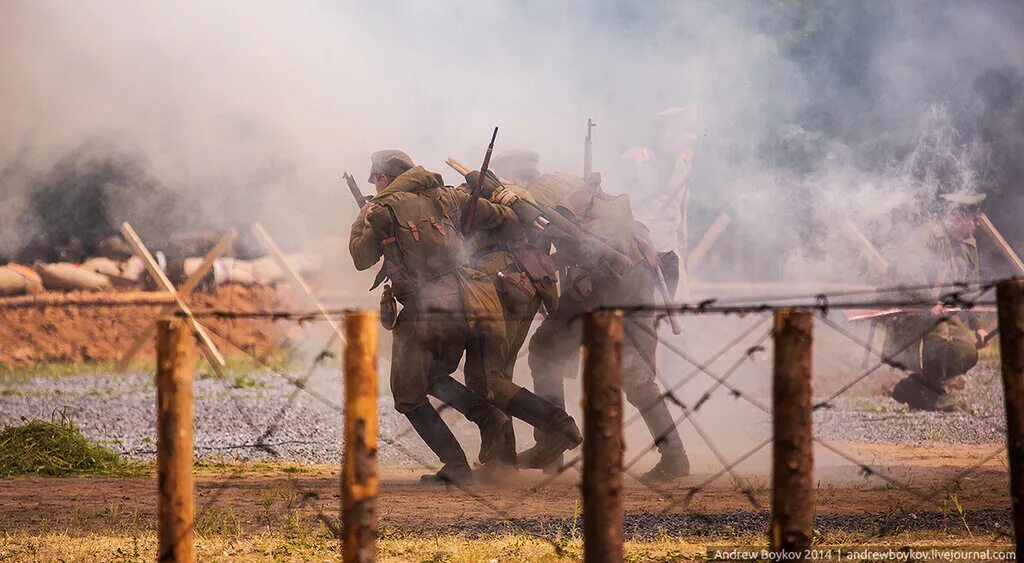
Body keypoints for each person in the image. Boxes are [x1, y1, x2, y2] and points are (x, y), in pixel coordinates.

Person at [349, 150, 579, 484]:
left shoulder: (382, 209)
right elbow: (507, 217)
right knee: (438, 377)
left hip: (426, 311)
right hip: (473, 301)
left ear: (383, 178)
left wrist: (361, 221)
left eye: (376, 178)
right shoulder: (449, 196)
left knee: (408, 394)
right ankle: (548, 423)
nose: (376, 184)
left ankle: (459, 460)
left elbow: (360, 257)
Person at [523, 172, 691, 481]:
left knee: (545, 353)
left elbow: (548, 254)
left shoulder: (567, 216)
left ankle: (551, 442)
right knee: (638, 380)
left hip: (601, 294)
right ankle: (675, 456)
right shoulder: (612, 216)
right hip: (634, 293)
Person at [882, 192, 990, 412]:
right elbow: (908, 273)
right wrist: (930, 302)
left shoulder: (969, 245)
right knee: (940, 341)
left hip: (944, 312)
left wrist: (978, 327)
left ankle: (916, 388)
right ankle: (933, 393)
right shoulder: (926, 236)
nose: (977, 223)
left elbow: (971, 289)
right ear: (958, 216)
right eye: (973, 217)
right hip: (915, 310)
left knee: (967, 350)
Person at [620, 104, 699, 299]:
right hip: (636, 251)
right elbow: (618, 207)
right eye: (684, 131)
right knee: (638, 313)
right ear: (662, 132)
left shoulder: (684, 165)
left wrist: (683, 247)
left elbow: (681, 211)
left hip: (669, 251)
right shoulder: (635, 160)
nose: (692, 137)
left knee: (676, 315)